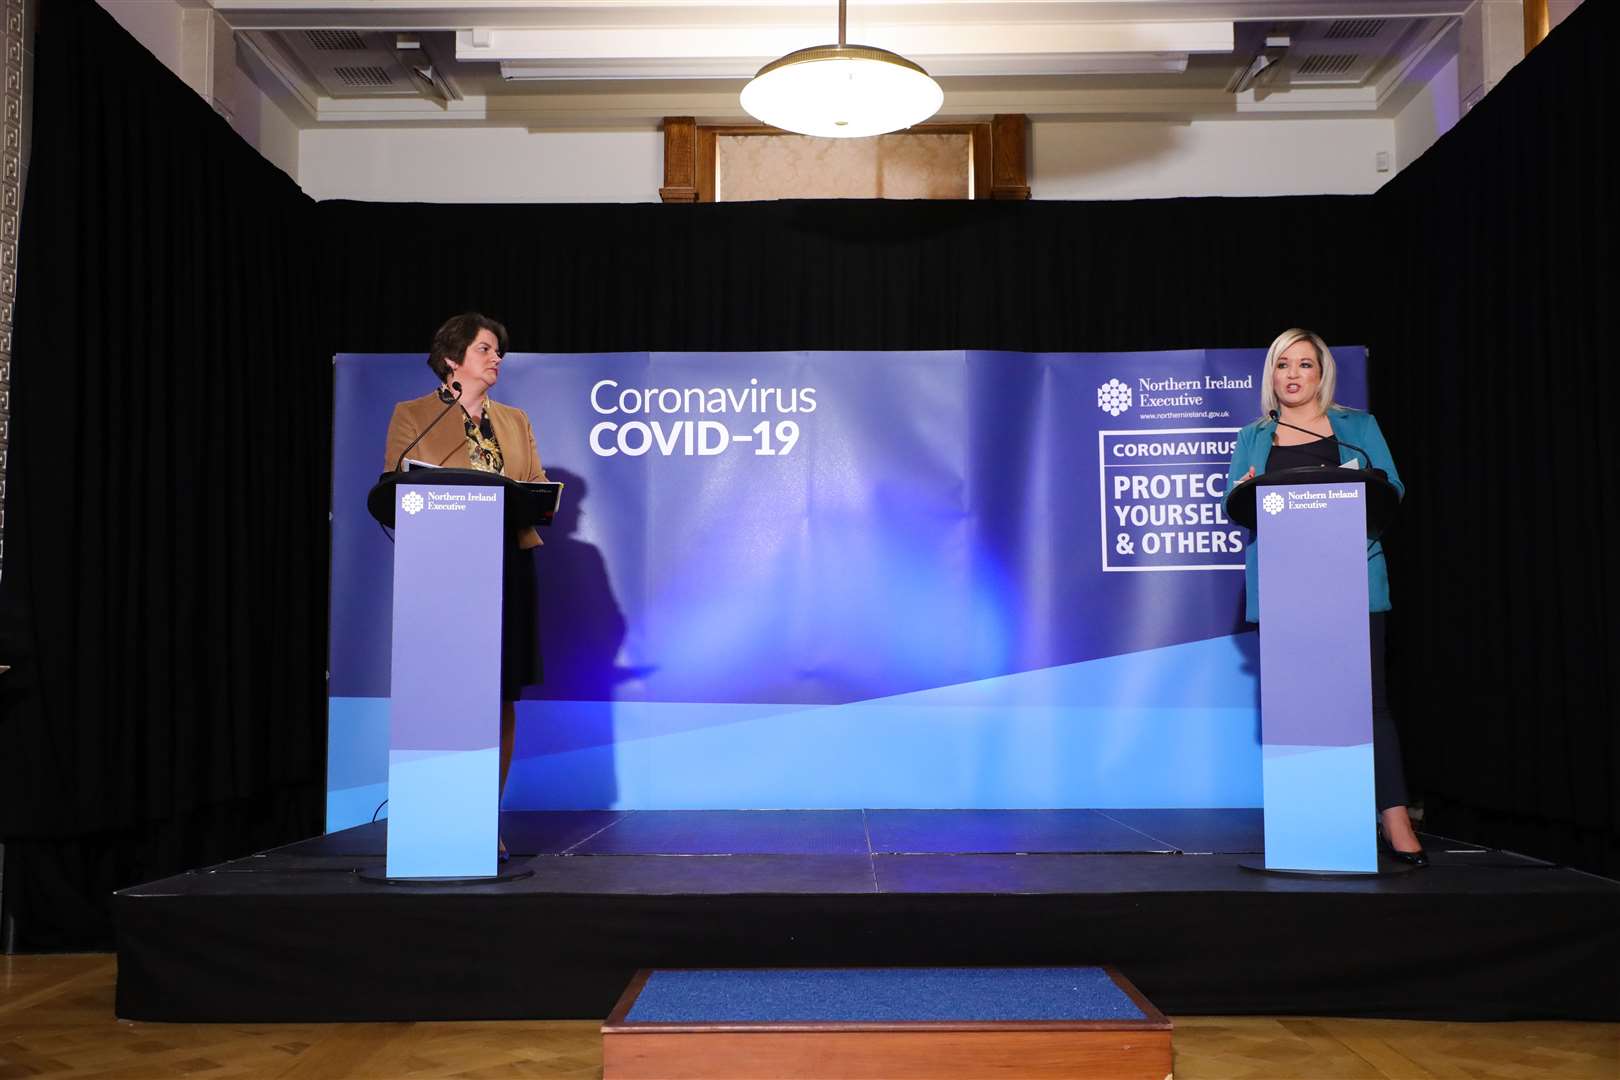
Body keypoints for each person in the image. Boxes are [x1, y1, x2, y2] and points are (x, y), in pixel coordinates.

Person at [1224, 327, 1426, 866]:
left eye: (1304, 364)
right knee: (1300, 707)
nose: (1293, 375)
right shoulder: (1254, 436)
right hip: (1288, 592)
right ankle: (1309, 820)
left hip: (1353, 581)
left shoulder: (1358, 428)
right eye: (1282, 365)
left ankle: (1394, 820)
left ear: (1322, 372)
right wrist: (1245, 488)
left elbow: (1392, 490)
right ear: (1272, 375)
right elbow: (1233, 501)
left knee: (1370, 703)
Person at [384, 312, 546, 858]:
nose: (496, 357)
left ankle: (484, 819)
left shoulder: (515, 419)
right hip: (443, 575)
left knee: (499, 695)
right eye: (484, 349)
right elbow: (397, 487)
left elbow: (533, 486)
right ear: (453, 360)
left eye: (498, 349)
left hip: (505, 566)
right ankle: (436, 816)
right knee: (446, 692)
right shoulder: (414, 416)